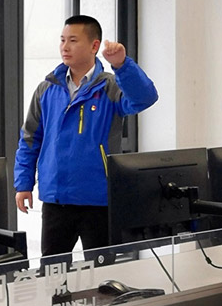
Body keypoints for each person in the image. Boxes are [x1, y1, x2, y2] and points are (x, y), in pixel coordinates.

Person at [13, 15, 158, 263]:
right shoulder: (47, 88)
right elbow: (29, 140)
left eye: (73, 40)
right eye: (62, 40)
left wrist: (122, 66)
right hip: (56, 199)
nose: (65, 47)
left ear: (94, 45)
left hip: (98, 200)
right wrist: (23, 184)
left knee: (102, 273)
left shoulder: (110, 87)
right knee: (53, 273)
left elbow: (145, 98)